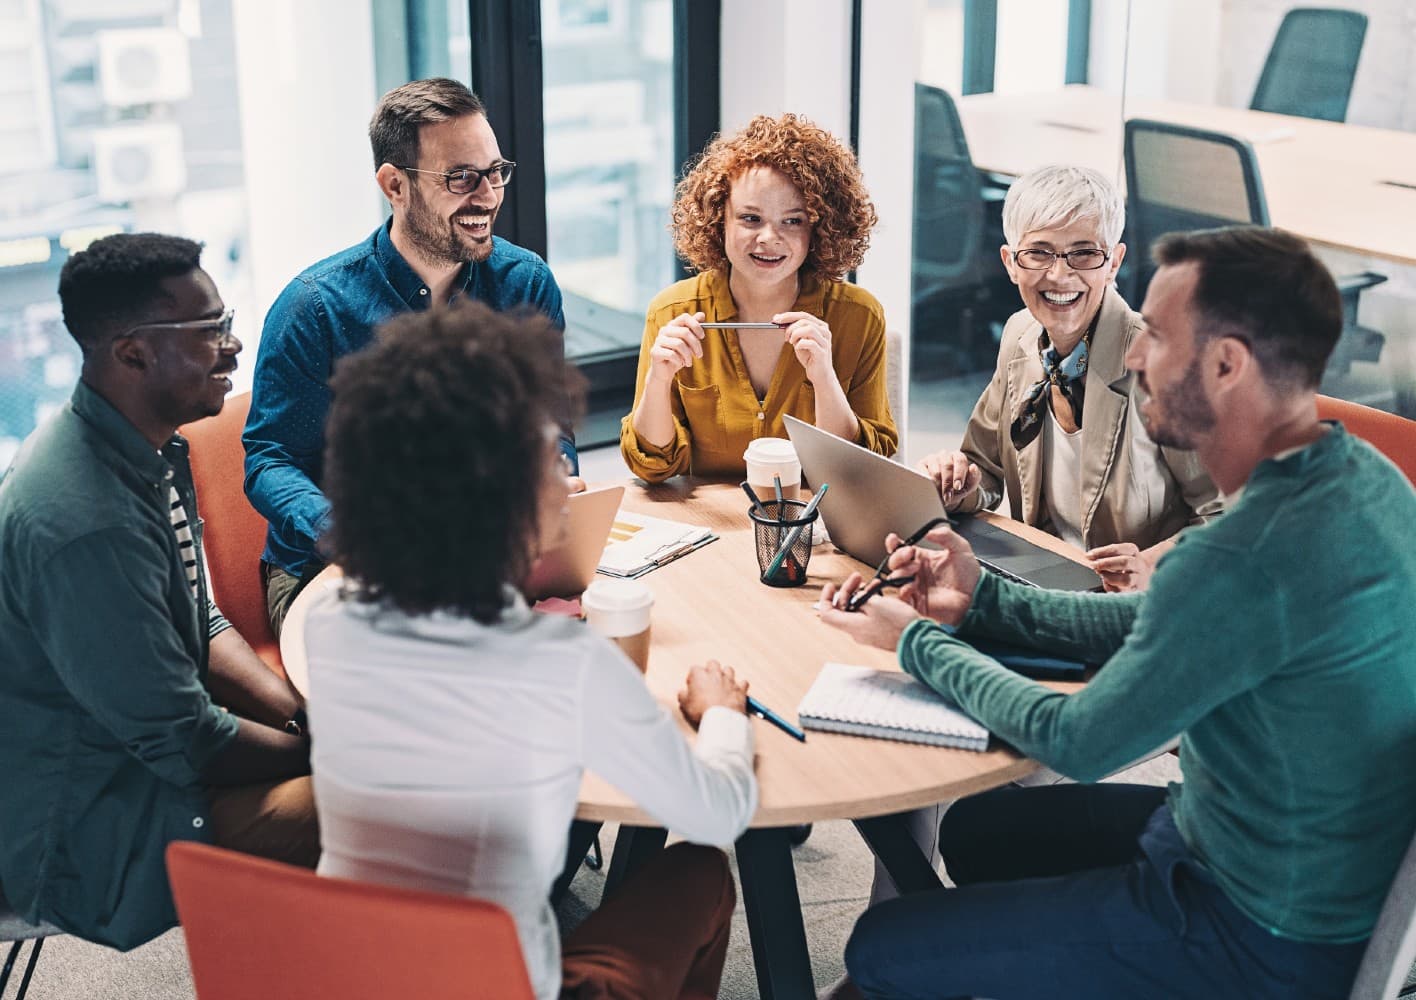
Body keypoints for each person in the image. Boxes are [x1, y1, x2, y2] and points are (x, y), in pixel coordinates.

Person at [820, 227, 1416, 1000]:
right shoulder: (1364, 476)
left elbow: (1081, 739)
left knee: (882, 948)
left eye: (1157, 337)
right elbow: (1155, 625)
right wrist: (981, 601)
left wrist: (922, 644)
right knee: (977, 830)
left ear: (1227, 365)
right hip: (1276, 858)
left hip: (1255, 931)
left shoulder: (1241, 556)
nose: (1133, 356)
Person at [304, 301, 759, 1000]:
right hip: (497, 984)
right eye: (550, 455)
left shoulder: (330, 621)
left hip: (343, 974)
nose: (569, 476)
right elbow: (717, 813)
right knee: (699, 870)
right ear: (500, 497)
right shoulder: (560, 663)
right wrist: (723, 714)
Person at [0, 234, 319, 951]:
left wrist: (298, 712)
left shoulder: (143, 446)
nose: (234, 348)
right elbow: (186, 741)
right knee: (398, 804)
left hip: (139, 765)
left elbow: (195, 620)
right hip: (91, 830)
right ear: (132, 353)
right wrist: (331, 754)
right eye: (211, 331)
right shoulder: (84, 523)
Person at [243, 77, 578, 637]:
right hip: (333, 568)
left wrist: (555, 474)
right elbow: (269, 460)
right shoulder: (315, 306)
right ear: (394, 185)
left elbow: (552, 426)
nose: (489, 195)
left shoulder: (525, 283)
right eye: (461, 177)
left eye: (496, 172)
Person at [917, 164, 1221, 593]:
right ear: (1010, 263)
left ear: (1113, 262)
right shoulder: (1020, 335)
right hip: (1041, 583)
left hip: (1136, 606)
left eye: (1083, 253)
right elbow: (984, 469)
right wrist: (955, 483)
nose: (1060, 275)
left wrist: (1155, 565)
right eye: (1039, 252)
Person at [620, 112, 897, 481]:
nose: (768, 237)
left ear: (820, 228)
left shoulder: (859, 316)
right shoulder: (672, 312)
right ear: (719, 220)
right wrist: (658, 379)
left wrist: (824, 377)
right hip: (711, 528)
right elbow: (652, 465)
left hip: (814, 527)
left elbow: (862, 470)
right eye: (750, 219)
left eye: (793, 220)